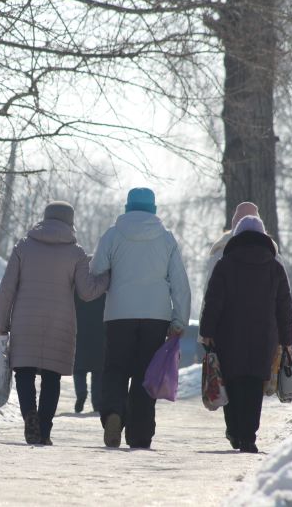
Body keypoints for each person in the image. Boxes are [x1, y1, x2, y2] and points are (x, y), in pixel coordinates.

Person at [0, 201, 109, 446]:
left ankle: (29, 416)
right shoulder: (76, 253)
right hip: (60, 323)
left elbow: (7, 289)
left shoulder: (23, 247)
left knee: (24, 373)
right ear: (70, 222)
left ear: (44, 218)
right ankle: (44, 430)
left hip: (25, 321)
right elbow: (87, 292)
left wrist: (1, 325)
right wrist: (107, 278)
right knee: (51, 377)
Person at [91, 188, 191, 449]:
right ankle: (140, 433)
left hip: (118, 314)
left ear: (127, 206)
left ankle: (113, 412)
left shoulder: (113, 234)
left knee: (115, 368)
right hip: (155, 316)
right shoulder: (166, 239)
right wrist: (179, 320)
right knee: (146, 373)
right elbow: (180, 284)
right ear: (154, 209)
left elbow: (96, 269)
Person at [199, 215, 292, 453]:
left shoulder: (225, 264)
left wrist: (207, 331)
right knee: (253, 385)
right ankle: (248, 436)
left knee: (230, 381)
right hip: (264, 337)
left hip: (229, 335)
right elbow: (284, 307)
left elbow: (213, 301)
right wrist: (287, 340)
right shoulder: (275, 267)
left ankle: (234, 431)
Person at [73, 293, 106, 413]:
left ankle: (81, 393)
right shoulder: (103, 290)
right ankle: (97, 402)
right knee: (98, 372)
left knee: (78, 369)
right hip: (99, 333)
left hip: (80, 330)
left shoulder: (79, 289)